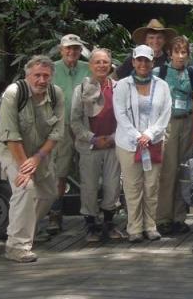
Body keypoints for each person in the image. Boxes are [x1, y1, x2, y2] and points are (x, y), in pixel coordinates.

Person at [0, 56, 64, 263]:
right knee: (25, 188)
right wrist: (25, 167)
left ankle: (24, 228)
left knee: (49, 193)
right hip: (12, 150)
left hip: (40, 152)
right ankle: (17, 246)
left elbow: (57, 133)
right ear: (27, 76)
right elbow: (11, 135)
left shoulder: (56, 94)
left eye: (46, 76)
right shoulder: (13, 94)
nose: (41, 80)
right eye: (37, 75)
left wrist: (37, 158)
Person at [114, 45, 171, 242]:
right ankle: (135, 228)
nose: (143, 64)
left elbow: (166, 113)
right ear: (133, 62)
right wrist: (137, 135)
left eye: (147, 60)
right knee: (132, 187)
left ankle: (150, 226)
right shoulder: (123, 85)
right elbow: (120, 113)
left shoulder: (162, 86)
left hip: (154, 142)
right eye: (139, 60)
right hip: (128, 143)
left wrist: (149, 134)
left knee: (152, 186)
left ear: (152, 62)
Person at [69, 48, 124, 243]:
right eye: (97, 62)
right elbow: (75, 121)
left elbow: (126, 117)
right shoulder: (81, 89)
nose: (101, 65)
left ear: (110, 65)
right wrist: (92, 138)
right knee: (89, 186)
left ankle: (109, 222)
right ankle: (91, 224)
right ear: (90, 66)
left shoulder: (119, 88)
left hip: (113, 144)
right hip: (90, 146)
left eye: (105, 62)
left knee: (113, 185)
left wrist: (113, 138)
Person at [48, 33, 90, 235]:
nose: (72, 52)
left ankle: (91, 215)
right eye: (68, 48)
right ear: (61, 50)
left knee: (89, 172)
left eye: (76, 48)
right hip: (61, 127)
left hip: (85, 127)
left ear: (81, 50)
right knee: (59, 173)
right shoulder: (51, 69)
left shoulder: (88, 68)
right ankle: (55, 214)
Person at [155, 35, 193, 237]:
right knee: (168, 171)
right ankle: (163, 218)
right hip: (168, 123)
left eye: (184, 52)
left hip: (188, 122)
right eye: (177, 52)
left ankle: (180, 217)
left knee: (184, 171)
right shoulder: (159, 72)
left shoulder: (192, 73)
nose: (180, 56)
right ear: (169, 53)